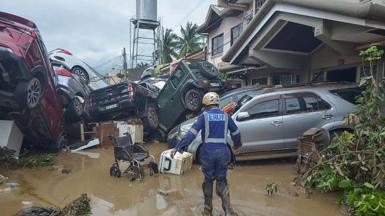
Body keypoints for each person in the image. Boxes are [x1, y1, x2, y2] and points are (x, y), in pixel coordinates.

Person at [171, 92, 242, 216]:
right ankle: (228, 212)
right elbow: (236, 133)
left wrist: (178, 147)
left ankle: (207, 210)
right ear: (217, 103)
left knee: (208, 180)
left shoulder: (204, 116)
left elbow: (191, 133)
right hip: (223, 153)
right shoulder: (225, 116)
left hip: (208, 153)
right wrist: (237, 145)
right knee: (222, 180)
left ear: (206, 104)